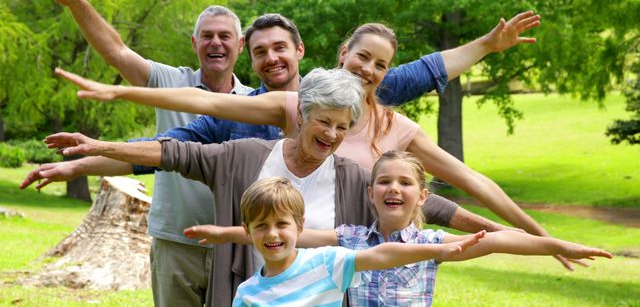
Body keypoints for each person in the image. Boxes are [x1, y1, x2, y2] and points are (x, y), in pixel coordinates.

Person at [51, 18, 584, 270]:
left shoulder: (394, 121)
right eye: (361, 58)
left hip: (359, 256)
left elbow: (471, 180)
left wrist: (544, 236)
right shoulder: (300, 101)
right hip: (292, 249)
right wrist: (119, 90)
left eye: (379, 65)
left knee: (472, 226)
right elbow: (207, 108)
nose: (369, 70)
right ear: (340, 53)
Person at [35, 68, 478, 306]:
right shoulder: (244, 156)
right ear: (301, 115)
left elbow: (425, 201)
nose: (331, 134)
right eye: (323, 121)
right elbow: (173, 153)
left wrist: (505, 230)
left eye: (342, 127)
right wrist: (99, 147)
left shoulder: (352, 176)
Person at [27, 0, 253, 306]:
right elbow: (116, 52)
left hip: (236, 246)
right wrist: (75, 0)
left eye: (224, 36)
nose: (215, 43)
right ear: (194, 44)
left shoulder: (256, 105)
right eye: (206, 36)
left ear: (240, 44)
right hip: (176, 244)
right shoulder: (170, 82)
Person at [186, 151, 613, 307]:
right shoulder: (349, 239)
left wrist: (559, 244)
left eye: (405, 183)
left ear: (422, 196)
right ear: (370, 192)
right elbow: (284, 236)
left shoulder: (433, 242)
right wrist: (227, 234)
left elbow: (500, 241)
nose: (394, 189)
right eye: (385, 182)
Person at [223, 176, 486, 307]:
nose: (272, 234)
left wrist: (438, 249)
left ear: (300, 226)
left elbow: (382, 255)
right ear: (248, 231)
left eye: (282, 224)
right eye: (261, 226)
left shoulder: (325, 262)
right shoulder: (247, 294)